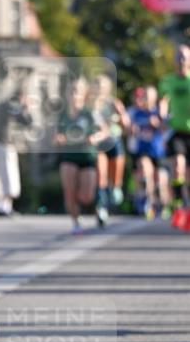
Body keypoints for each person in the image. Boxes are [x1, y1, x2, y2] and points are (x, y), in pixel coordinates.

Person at [55, 77, 109, 234]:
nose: (74, 95)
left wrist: (95, 137)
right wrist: (58, 139)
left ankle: (93, 208)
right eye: (71, 91)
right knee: (69, 191)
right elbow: (55, 135)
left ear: (84, 93)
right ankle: (76, 221)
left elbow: (104, 131)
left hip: (86, 157)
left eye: (77, 91)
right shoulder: (62, 115)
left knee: (86, 196)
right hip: (69, 157)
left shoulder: (90, 113)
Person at [0, 88, 32, 216]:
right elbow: (27, 121)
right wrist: (26, 107)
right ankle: (6, 207)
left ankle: (1, 207)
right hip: (3, 144)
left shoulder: (0, 105)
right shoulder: (12, 106)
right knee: (8, 175)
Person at [91, 74, 129, 225]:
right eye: (97, 87)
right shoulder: (91, 106)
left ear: (108, 89)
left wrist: (120, 113)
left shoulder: (113, 103)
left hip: (115, 142)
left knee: (115, 179)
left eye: (103, 87)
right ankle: (101, 208)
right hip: (99, 144)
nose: (100, 90)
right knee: (101, 177)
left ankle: (116, 188)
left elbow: (126, 127)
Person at [128, 86, 169, 218]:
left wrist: (158, 123)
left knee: (161, 182)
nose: (146, 98)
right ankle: (148, 203)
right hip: (143, 150)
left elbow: (166, 129)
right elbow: (128, 129)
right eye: (145, 95)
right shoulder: (136, 113)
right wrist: (131, 128)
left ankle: (164, 204)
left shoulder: (158, 111)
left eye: (149, 95)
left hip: (158, 151)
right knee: (146, 173)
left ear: (154, 97)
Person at [159, 45, 190, 208]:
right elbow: (164, 100)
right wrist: (163, 116)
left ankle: (187, 200)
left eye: (184, 57)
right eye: (178, 57)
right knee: (178, 166)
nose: (181, 60)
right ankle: (179, 200)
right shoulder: (167, 80)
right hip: (177, 131)